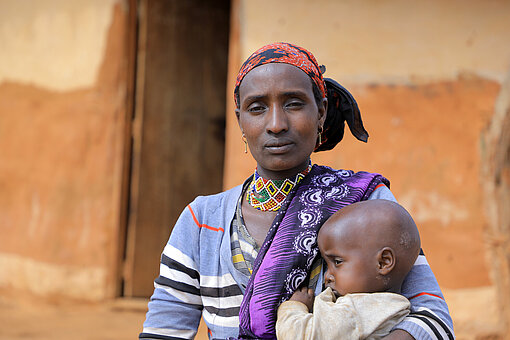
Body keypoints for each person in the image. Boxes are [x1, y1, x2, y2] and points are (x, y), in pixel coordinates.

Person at [139, 42, 454, 340]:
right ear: (240, 122)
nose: (276, 124)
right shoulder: (201, 221)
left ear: (320, 112)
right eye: (257, 108)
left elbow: (434, 320)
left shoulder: (366, 206)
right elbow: (163, 330)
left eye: (293, 104)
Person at [276, 199, 421, 340]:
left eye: (337, 262)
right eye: (326, 264)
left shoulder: (356, 311)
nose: (327, 276)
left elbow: (298, 335)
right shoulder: (391, 307)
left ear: (383, 262)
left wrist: (295, 307)